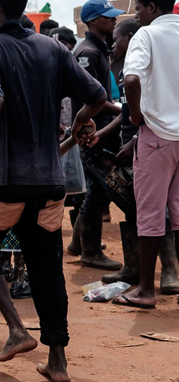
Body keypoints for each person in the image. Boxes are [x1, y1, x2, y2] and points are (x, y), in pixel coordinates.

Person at [0, 0, 106, 382]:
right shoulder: (54, 48)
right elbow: (97, 97)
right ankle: (57, 361)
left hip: (6, 181)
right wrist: (81, 120)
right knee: (47, 267)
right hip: (49, 182)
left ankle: (16, 329)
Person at [87, 18, 179, 295]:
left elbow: (136, 90)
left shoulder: (145, 43)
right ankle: (139, 270)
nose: (114, 44)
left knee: (152, 212)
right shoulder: (125, 64)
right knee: (153, 210)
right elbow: (126, 108)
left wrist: (139, 126)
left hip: (153, 140)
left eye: (118, 38)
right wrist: (108, 132)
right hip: (153, 140)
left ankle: (155, 283)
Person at [110, 0, 179, 309]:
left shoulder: (146, 35)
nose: (135, 14)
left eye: (137, 7)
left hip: (157, 136)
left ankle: (145, 290)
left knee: (150, 215)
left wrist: (136, 116)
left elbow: (131, 79)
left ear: (151, 7)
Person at [67, 0, 124, 270]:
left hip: (101, 127)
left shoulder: (98, 49)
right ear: (92, 22)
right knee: (98, 193)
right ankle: (89, 251)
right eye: (107, 17)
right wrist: (122, 110)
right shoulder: (88, 52)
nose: (113, 21)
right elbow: (89, 96)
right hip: (94, 131)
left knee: (97, 191)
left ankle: (79, 244)